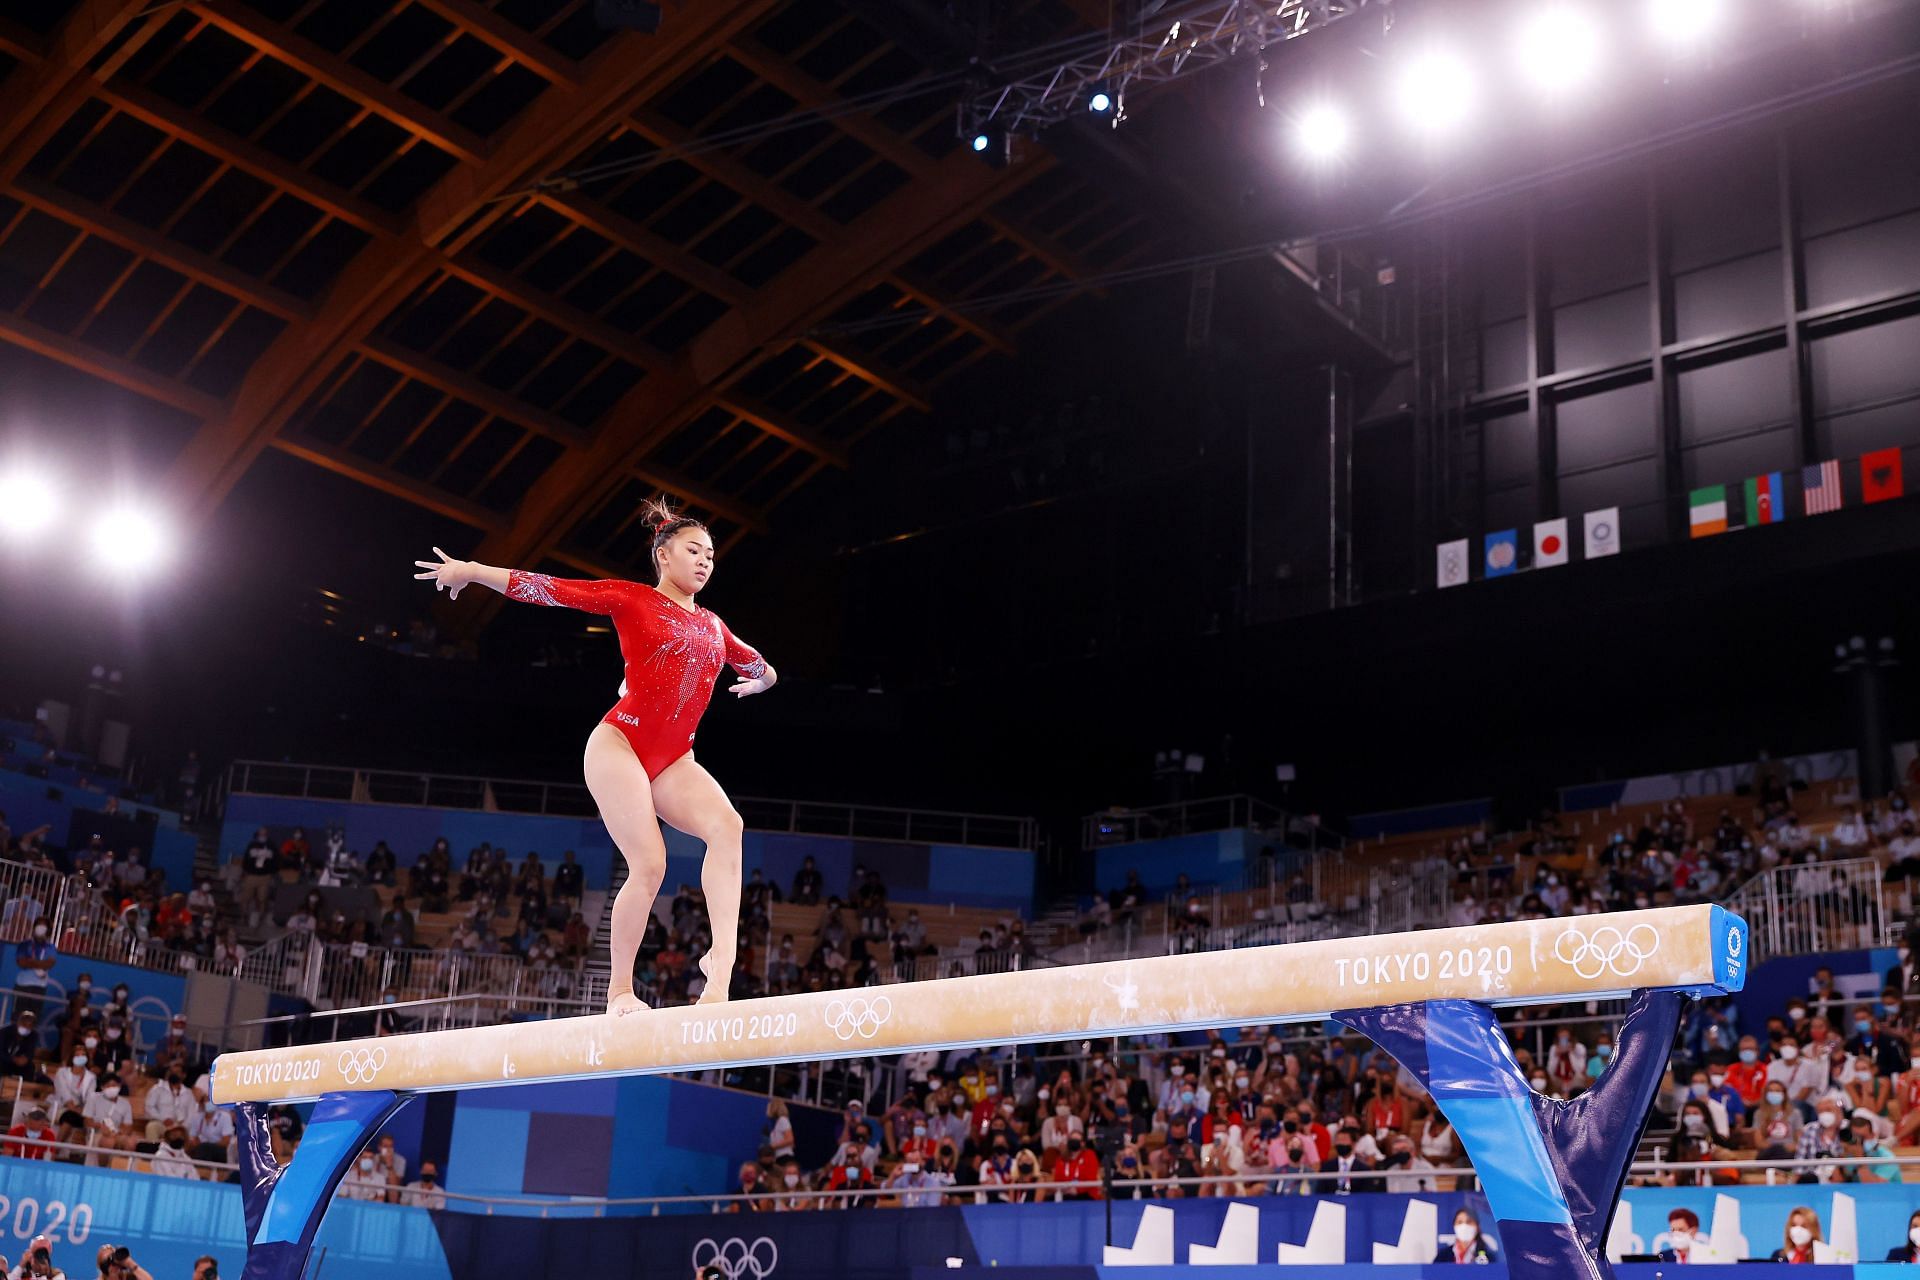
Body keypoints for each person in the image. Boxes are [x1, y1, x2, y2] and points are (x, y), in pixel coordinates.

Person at [415, 501, 777, 1015]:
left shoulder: (714, 626)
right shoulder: (632, 600)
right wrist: (472, 571)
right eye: (693, 550)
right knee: (651, 862)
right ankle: (619, 993)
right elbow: (550, 589)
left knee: (729, 826)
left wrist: (761, 681)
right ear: (663, 555)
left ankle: (719, 976)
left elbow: (760, 664)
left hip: (674, 759)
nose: (704, 561)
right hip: (619, 745)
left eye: (711, 556)